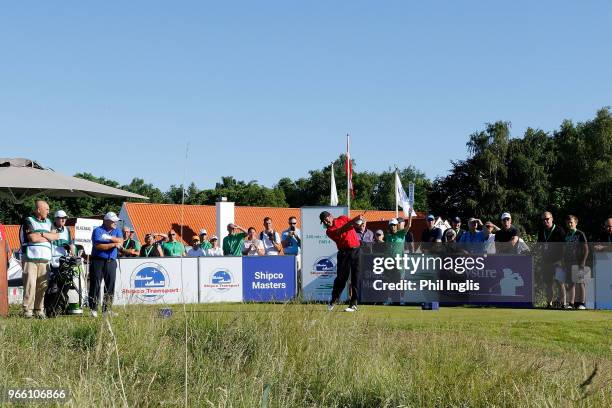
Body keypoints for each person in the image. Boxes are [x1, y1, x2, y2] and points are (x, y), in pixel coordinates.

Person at [21, 200, 59, 318]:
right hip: (30, 258)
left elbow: (56, 236)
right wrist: (47, 236)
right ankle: (27, 310)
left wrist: (41, 234)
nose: (48, 211)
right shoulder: (28, 220)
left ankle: (39, 309)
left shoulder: (49, 222)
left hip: (45, 258)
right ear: (38, 210)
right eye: (46, 209)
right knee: (30, 285)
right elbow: (32, 237)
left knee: (42, 286)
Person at [320, 211, 362, 312]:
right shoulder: (329, 231)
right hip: (344, 253)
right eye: (323, 222)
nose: (326, 222)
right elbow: (341, 230)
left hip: (356, 250)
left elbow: (356, 225)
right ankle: (334, 300)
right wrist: (353, 220)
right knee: (341, 279)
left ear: (330, 216)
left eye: (326, 219)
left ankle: (353, 304)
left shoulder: (342, 218)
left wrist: (359, 220)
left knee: (356, 278)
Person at [89, 211, 123, 317]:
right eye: (113, 221)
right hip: (97, 260)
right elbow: (99, 246)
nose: (115, 223)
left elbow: (121, 241)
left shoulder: (117, 230)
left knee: (110, 286)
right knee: (96, 285)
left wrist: (108, 238)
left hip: (111, 261)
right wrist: (114, 244)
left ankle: (107, 309)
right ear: (106, 221)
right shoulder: (97, 231)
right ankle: (93, 308)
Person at [536, 211, 566, 308]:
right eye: (543, 220)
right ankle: (549, 303)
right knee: (548, 284)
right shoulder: (541, 231)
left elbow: (564, 247)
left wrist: (562, 261)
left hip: (558, 261)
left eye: (547, 219)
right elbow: (539, 245)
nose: (545, 221)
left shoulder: (559, 230)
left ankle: (563, 303)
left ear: (552, 218)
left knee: (560, 282)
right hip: (546, 262)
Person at [563, 215, 589, 310]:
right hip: (569, 262)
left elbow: (586, 250)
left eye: (571, 222)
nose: (569, 224)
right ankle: (571, 303)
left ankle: (582, 303)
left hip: (578, 262)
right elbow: (565, 250)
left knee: (580, 282)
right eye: (568, 223)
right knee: (570, 283)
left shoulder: (580, 234)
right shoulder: (567, 235)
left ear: (576, 223)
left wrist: (582, 263)